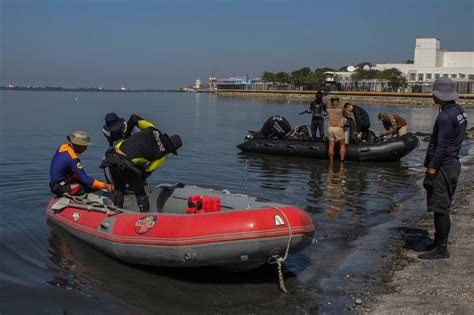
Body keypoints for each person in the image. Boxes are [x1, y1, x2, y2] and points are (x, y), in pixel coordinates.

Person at [418, 77, 468, 260]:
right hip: (453, 163)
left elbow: (442, 146)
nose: (433, 97)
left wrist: (431, 171)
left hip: (444, 166)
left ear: (439, 96)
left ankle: (441, 248)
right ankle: (438, 241)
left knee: (441, 207)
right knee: (442, 204)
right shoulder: (459, 111)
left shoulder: (445, 116)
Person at [105, 126, 182, 212]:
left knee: (119, 189)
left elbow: (134, 119)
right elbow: (147, 171)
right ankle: (144, 216)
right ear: (171, 149)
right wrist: (137, 184)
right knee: (141, 194)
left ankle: (116, 211)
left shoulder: (153, 130)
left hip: (112, 156)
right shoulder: (162, 155)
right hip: (126, 164)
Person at [50, 131, 113, 196]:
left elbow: (65, 169)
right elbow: (85, 178)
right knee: (92, 190)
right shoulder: (73, 158)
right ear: (78, 145)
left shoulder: (63, 147)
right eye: (84, 146)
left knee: (87, 183)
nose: (86, 149)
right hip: (60, 187)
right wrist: (105, 186)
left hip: (56, 183)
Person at [327, 96, 346, 162]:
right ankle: (342, 161)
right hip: (338, 128)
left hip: (330, 128)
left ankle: (331, 161)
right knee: (342, 145)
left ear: (331, 101)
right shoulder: (341, 109)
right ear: (338, 101)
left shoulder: (328, 109)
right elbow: (347, 115)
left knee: (331, 145)